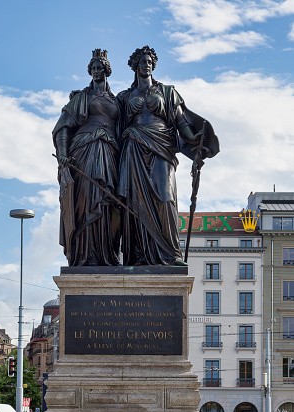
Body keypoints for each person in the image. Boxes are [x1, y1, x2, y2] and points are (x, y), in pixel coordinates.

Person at [117, 46, 219, 266]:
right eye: (142, 62)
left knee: (165, 199)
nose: (146, 65)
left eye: (150, 62)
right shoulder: (125, 97)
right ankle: (138, 255)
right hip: (133, 146)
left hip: (161, 146)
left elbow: (181, 122)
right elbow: (111, 122)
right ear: (135, 66)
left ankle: (171, 254)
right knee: (135, 203)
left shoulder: (168, 92)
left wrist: (194, 139)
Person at [53, 49, 121, 266]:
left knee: (108, 201)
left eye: (100, 67)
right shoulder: (81, 97)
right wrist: (63, 155)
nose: (96, 71)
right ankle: (84, 254)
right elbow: (63, 126)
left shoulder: (117, 100)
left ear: (107, 71)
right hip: (85, 150)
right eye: (93, 68)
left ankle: (106, 254)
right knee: (87, 199)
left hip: (110, 152)